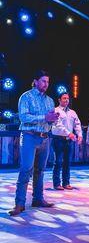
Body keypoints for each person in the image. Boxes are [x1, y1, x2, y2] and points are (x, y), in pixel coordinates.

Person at [9, 70, 59, 216]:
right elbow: (24, 117)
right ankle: (19, 203)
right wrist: (45, 117)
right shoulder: (26, 97)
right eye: (43, 81)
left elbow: (49, 120)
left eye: (48, 81)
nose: (46, 84)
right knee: (26, 169)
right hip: (29, 136)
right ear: (35, 81)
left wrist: (53, 119)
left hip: (44, 138)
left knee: (40, 170)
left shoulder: (50, 100)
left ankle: (38, 199)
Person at [51, 92, 82, 190]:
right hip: (58, 139)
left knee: (67, 162)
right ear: (59, 100)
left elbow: (77, 124)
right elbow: (58, 125)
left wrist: (80, 135)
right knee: (58, 161)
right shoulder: (56, 111)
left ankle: (66, 183)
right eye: (64, 98)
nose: (66, 100)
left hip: (69, 140)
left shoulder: (72, 112)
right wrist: (69, 133)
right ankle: (56, 184)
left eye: (67, 98)